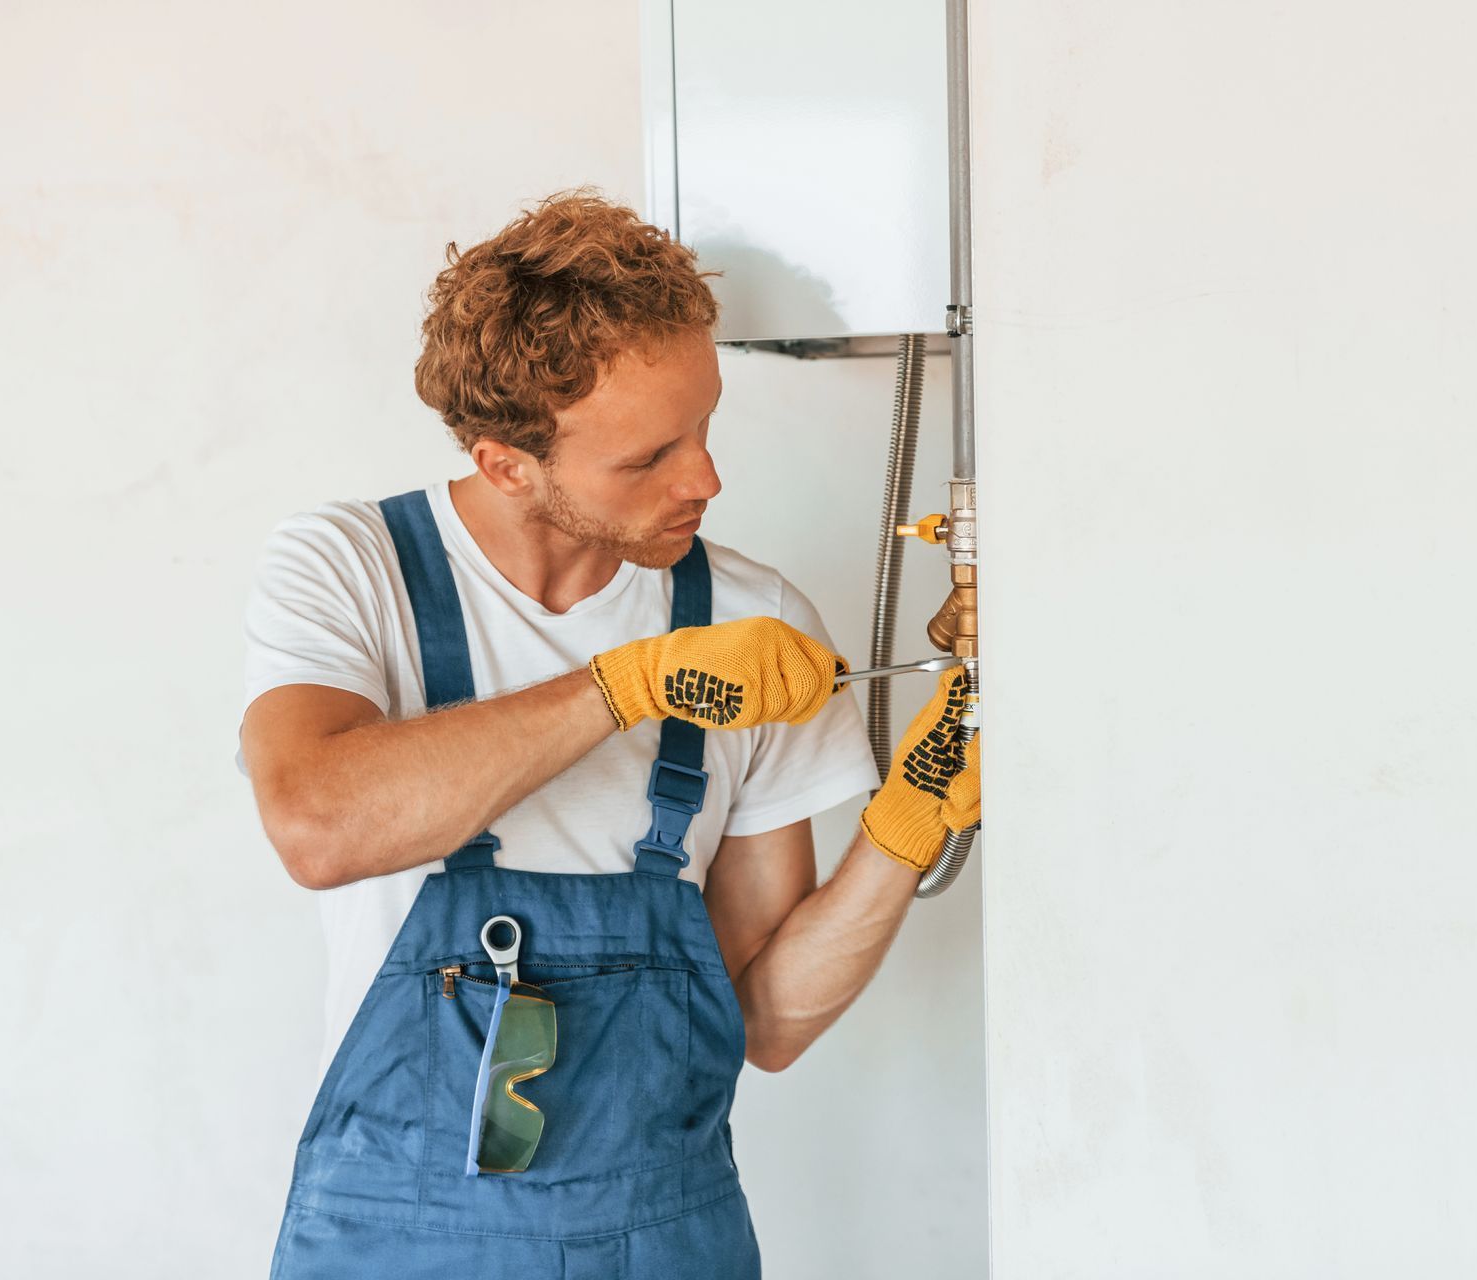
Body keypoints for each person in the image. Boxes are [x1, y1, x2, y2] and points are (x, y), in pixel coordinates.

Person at [237, 189, 981, 1277]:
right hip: (400, 1244)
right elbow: (318, 821)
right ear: (507, 464)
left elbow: (766, 1016)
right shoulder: (350, 569)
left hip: (668, 1240)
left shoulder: (747, 620)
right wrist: (625, 685)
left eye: (706, 424)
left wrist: (905, 823)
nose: (706, 479)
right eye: (647, 458)